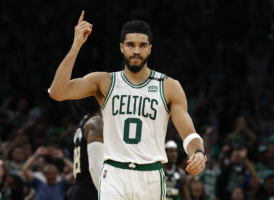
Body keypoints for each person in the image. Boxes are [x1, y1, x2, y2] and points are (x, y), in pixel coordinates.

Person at [49, 10, 206, 200]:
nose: (137, 51)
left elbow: (189, 133)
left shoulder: (169, 86)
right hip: (114, 172)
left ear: (150, 49)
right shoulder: (104, 81)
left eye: (142, 45)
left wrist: (198, 152)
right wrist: (76, 46)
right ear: (122, 47)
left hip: (151, 175)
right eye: (131, 45)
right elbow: (57, 92)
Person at [68, 98, 104, 200]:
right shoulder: (97, 122)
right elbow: (95, 167)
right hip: (91, 189)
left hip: (81, 189)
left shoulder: (85, 120)